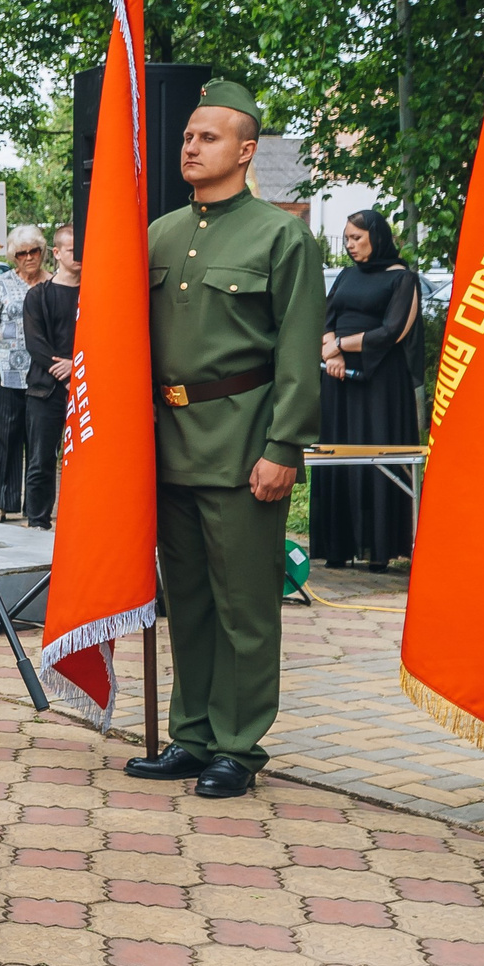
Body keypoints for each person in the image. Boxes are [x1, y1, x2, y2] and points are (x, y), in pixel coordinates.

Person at [125, 78, 323, 799]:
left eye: (207, 137)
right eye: (187, 136)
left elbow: (297, 351)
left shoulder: (280, 235)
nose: (190, 146)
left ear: (246, 150)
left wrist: (284, 447)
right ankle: (192, 735)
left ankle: (237, 745)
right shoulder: (159, 234)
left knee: (245, 606)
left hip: (243, 443)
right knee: (188, 601)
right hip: (168, 441)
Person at [310, 210, 422, 570]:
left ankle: (379, 549)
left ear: (377, 237)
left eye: (357, 238)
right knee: (337, 454)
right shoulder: (346, 275)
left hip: (380, 382)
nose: (350, 245)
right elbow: (326, 317)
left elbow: (392, 331)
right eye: (347, 238)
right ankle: (337, 546)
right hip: (339, 378)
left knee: (377, 456)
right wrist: (332, 353)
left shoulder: (403, 278)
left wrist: (341, 345)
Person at [0, 226, 48, 522]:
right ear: (14, 257)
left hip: (43, 371)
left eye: (34, 251)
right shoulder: (1, 283)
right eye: (22, 253)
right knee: (4, 437)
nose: (29, 257)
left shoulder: (53, 282)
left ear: (42, 252)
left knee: (39, 440)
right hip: (8, 370)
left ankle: (36, 508)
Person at [22, 224, 81, 529]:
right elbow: (35, 343)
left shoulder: (95, 292)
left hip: (88, 385)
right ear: (56, 253)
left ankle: (81, 520)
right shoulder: (38, 296)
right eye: (72, 250)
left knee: (87, 458)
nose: (79, 255)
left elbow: (105, 338)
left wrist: (78, 366)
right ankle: (38, 521)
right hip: (45, 389)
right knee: (41, 459)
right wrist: (66, 373)